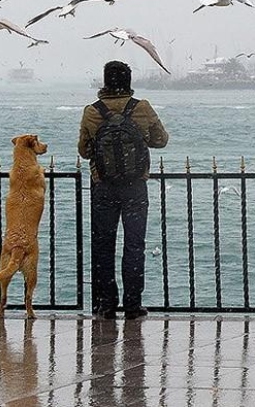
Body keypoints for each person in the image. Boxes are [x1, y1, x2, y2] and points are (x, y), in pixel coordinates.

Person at [78, 61, 169, 320]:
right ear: (128, 81)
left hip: (104, 187)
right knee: (134, 246)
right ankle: (132, 305)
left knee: (104, 246)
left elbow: (84, 151)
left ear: (105, 82)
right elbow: (161, 140)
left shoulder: (92, 112)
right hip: (135, 187)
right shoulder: (141, 107)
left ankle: (106, 305)